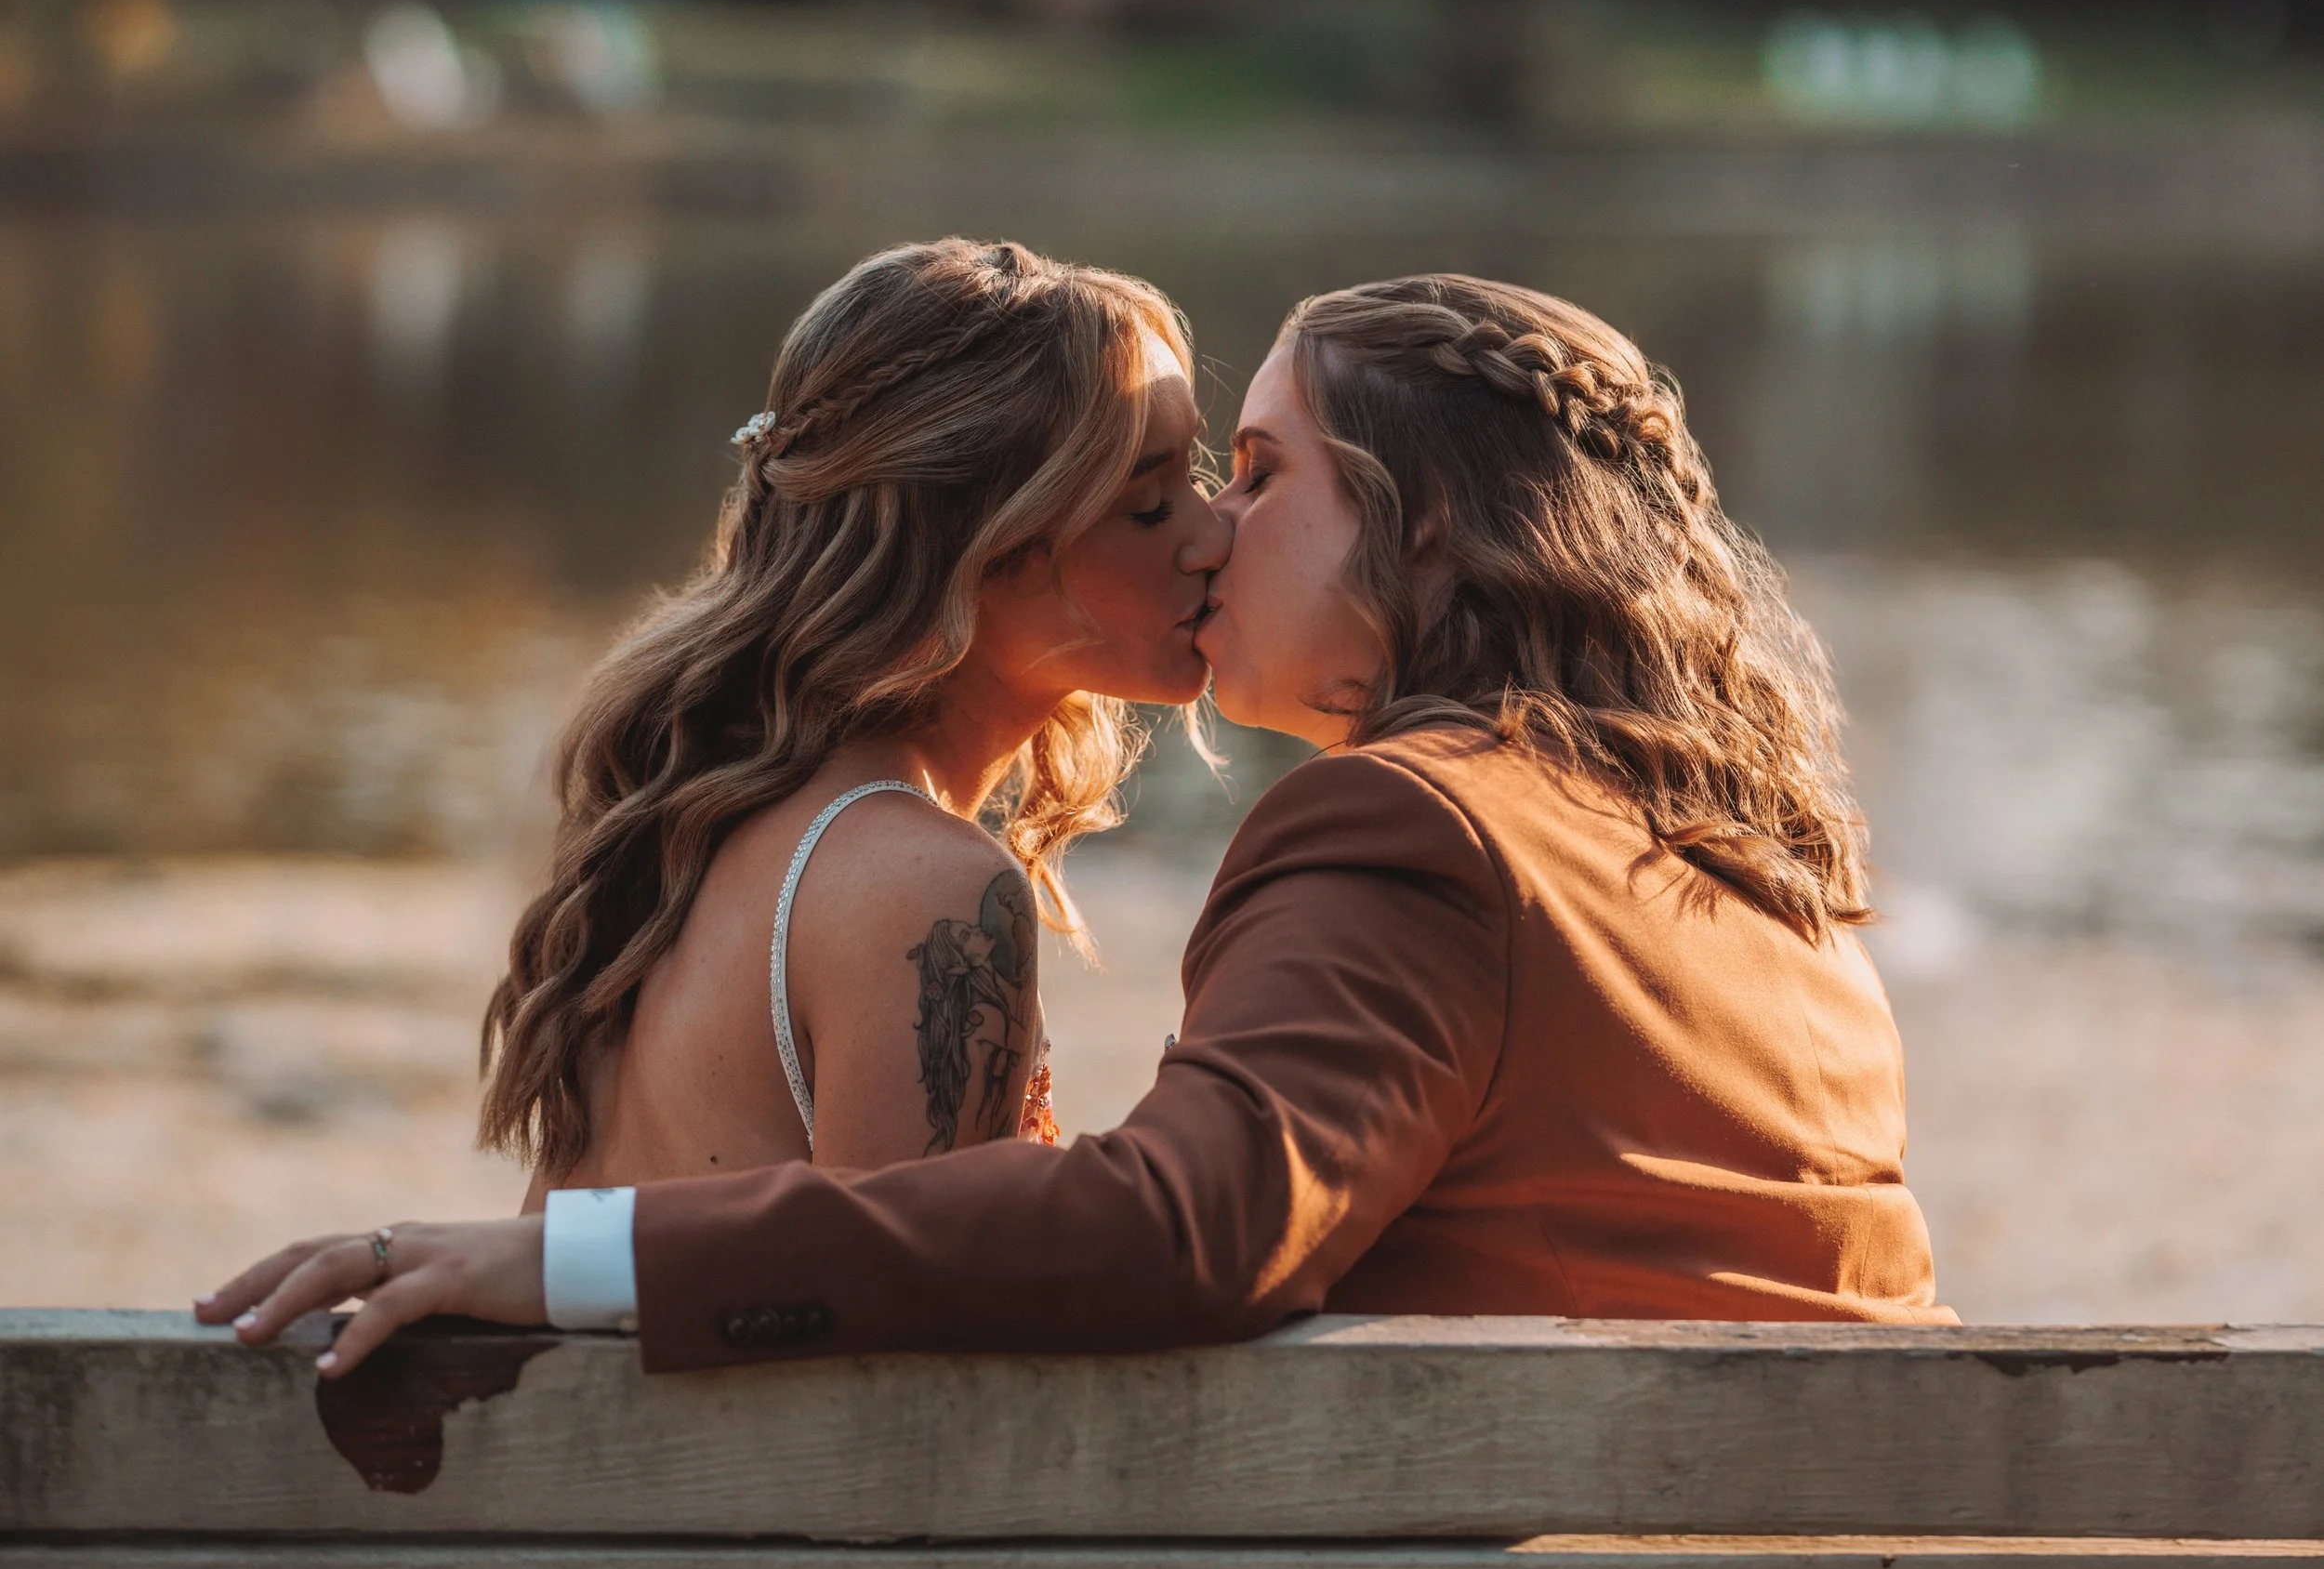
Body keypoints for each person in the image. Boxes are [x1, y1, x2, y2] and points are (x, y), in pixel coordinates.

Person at [203, 271, 1945, 1373]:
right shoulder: (1776, 895)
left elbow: (1176, 1226)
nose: (1210, 529)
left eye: (1255, 473)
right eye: (1175, 485)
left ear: (1424, 539)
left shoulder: (1410, 830)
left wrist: (571, 1256)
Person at [485, 233, 1222, 1194]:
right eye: (1149, 506)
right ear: (979, 547)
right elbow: (914, 1310)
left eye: (1197, 476)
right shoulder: (928, 888)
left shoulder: (696, 823)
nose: (1213, 535)